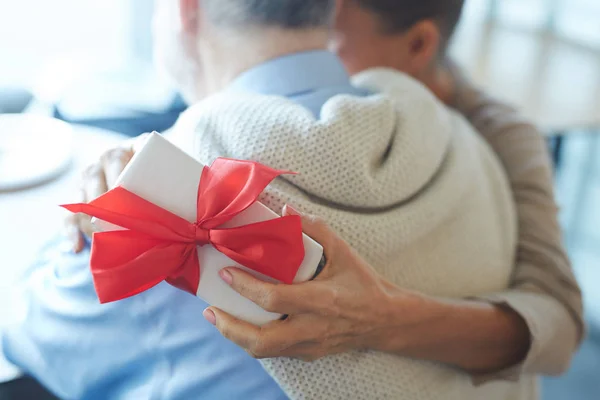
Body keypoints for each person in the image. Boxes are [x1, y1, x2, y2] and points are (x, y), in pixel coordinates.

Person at [1, 1, 581, 400]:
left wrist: (382, 320)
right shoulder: (465, 140)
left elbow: (26, 327)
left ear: (184, 11)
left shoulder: (181, 186)